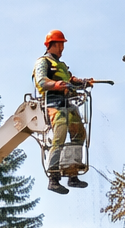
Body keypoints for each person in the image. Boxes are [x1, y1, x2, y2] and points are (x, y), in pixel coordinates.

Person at [32, 29, 94, 194]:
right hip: (54, 104)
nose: (62, 48)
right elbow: (41, 82)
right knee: (59, 136)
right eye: (60, 45)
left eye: (62, 45)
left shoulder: (62, 66)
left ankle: (72, 173)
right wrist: (56, 85)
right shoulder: (43, 62)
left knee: (79, 134)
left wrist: (83, 82)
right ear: (52, 44)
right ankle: (53, 177)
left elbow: (70, 80)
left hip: (68, 104)